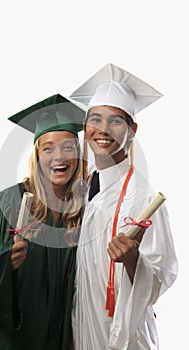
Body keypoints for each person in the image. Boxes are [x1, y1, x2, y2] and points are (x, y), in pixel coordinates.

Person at [0, 94, 86, 350]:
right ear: (37, 155)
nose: (58, 156)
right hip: (8, 337)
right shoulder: (10, 200)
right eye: (48, 148)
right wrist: (3, 258)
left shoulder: (87, 209)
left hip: (57, 336)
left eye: (67, 147)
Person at [69, 63, 178, 350]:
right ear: (85, 127)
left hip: (123, 335)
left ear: (133, 130)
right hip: (82, 327)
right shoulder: (85, 186)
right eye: (95, 119)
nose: (103, 129)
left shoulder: (143, 198)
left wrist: (133, 260)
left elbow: (160, 278)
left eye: (115, 121)